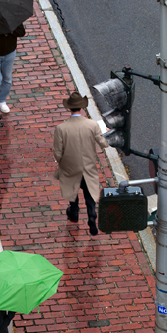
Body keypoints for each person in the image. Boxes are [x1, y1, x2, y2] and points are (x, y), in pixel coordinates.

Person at [53, 91, 106, 236]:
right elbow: (104, 143)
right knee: (89, 196)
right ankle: (91, 216)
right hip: (88, 168)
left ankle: (74, 213)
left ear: (69, 108)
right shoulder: (92, 124)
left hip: (71, 168)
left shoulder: (61, 128)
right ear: (82, 108)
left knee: (73, 192)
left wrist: (63, 163)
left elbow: (57, 152)